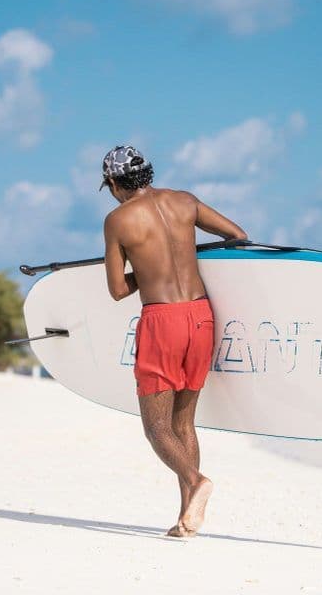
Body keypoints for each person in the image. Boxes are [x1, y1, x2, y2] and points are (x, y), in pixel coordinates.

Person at [100, 145, 247, 538]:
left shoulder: (117, 220)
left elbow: (116, 289)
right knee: (184, 421)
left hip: (162, 321)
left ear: (114, 184)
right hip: (201, 316)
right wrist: (184, 253)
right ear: (147, 173)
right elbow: (237, 235)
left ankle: (196, 482)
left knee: (157, 428)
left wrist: (145, 272)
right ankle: (187, 519)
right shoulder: (184, 201)